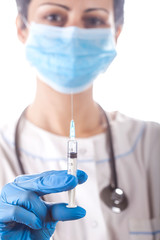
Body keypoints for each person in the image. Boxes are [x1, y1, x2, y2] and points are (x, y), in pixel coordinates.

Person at [0, 0, 160, 239]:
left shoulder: (152, 145)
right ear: (22, 28)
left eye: (93, 20)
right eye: (54, 17)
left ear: (115, 33)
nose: (73, 34)